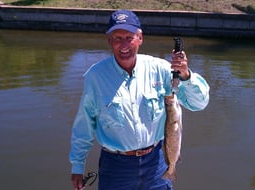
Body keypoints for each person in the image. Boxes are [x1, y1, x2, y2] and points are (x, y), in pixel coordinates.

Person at [69, 9, 210, 190]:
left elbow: (199, 103)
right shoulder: (95, 76)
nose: (124, 44)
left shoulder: (161, 69)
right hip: (115, 166)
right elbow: (84, 125)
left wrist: (186, 75)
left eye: (129, 37)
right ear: (109, 41)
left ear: (140, 38)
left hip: (157, 161)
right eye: (117, 38)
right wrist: (78, 165)